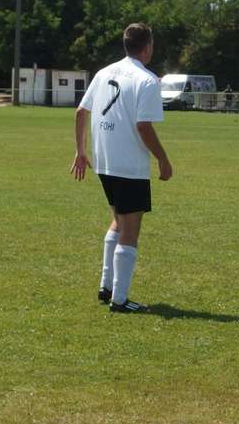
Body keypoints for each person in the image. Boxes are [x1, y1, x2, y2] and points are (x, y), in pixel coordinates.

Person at [72, 23, 173, 313]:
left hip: (104, 161)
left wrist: (81, 151)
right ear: (148, 47)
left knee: (118, 219)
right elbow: (143, 126)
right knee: (130, 228)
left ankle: (106, 286)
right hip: (129, 165)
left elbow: (81, 112)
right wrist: (163, 159)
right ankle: (120, 299)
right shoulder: (147, 80)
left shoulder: (104, 72)